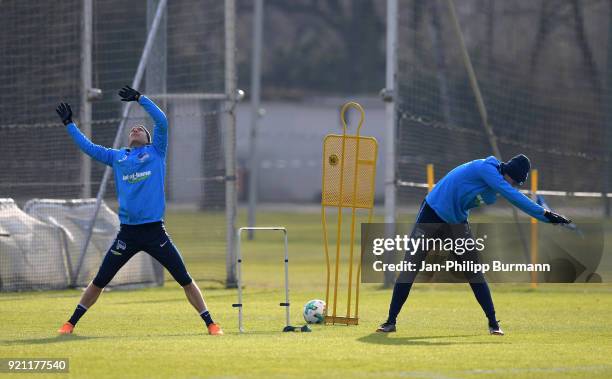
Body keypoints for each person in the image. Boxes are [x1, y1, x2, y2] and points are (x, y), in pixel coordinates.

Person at [55, 86, 223, 336]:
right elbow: (88, 147)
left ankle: (211, 324)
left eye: (141, 129)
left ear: (148, 138)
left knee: (184, 278)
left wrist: (140, 99)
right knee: (100, 280)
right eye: (133, 129)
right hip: (127, 235)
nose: (136, 129)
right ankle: (70, 324)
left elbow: (162, 120)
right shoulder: (118, 157)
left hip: (155, 232)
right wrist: (70, 124)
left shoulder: (157, 152)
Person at [376, 155, 571, 335]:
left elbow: (506, 193)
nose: (513, 185)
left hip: (456, 222)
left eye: (517, 183)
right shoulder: (487, 169)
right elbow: (514, 196)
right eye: (513, 181)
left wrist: (545, 215)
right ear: (506, 172)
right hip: (432, 212)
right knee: (410, 268)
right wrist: (545, 215)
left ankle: (493, 324)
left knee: (474, 272)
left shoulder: (494, 192)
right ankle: (390, 322)